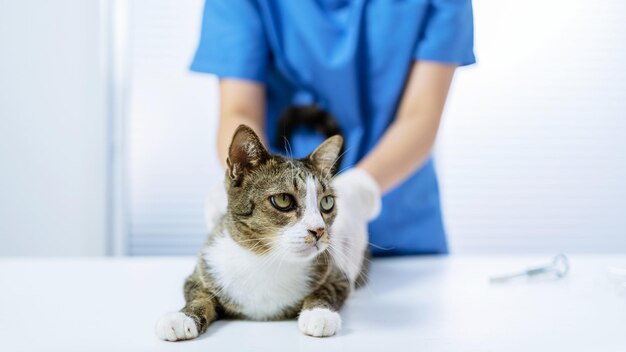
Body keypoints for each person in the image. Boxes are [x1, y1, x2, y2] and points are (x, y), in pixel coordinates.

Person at [191, 0, 475, 258]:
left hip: (400, 235)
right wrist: (247, 178)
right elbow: (239, 111)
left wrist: (358, 192)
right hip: (281, 242)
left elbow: (421, 115)